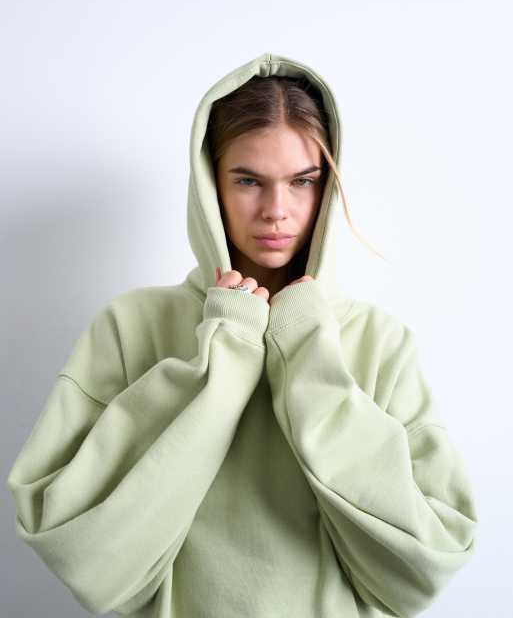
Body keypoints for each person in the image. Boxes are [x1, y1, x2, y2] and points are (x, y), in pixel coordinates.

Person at [6, 52, 478, 618]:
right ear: (211, 186)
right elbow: (78, 549)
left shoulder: (378, 339)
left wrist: (304, 347)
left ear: (327, 188)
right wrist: (226, 350)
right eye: (249, 180)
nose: (276, 210)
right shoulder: (130, 326)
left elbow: (427, 562)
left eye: (302, 182)